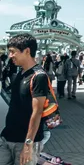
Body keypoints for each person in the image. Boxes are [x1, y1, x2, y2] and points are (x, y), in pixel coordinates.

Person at [0, 33, 48, 165]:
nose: (10, 56)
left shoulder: (39, 76)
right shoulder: (20, 73)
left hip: (25, 142)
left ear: (27, 51)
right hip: (7, 137)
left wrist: (28, 145)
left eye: (13, 52)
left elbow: (37, 112)